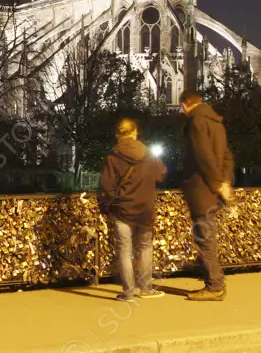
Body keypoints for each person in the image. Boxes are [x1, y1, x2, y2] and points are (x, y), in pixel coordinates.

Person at [98, 116, 167, 301]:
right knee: (144, 248)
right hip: (145, 208)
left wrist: (105, 207)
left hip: (122, 210)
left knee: (124, 250)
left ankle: (128, 293)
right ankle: (146, 289)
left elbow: (106, 185)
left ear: (117, 134)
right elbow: (161, 175)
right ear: (135, 132)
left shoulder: (112, 156)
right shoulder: (148, 154)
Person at [179, 89, 234, 301]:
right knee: (207, 236)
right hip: (213, 190)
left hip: (201, 189)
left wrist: (217, 183)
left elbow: (203, 156)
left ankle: (215, 286)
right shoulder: (216, 122)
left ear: (185, 104)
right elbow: (227, 156)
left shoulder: (195, 122)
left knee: (204, 237)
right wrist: (225, 181)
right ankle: (214, 281)